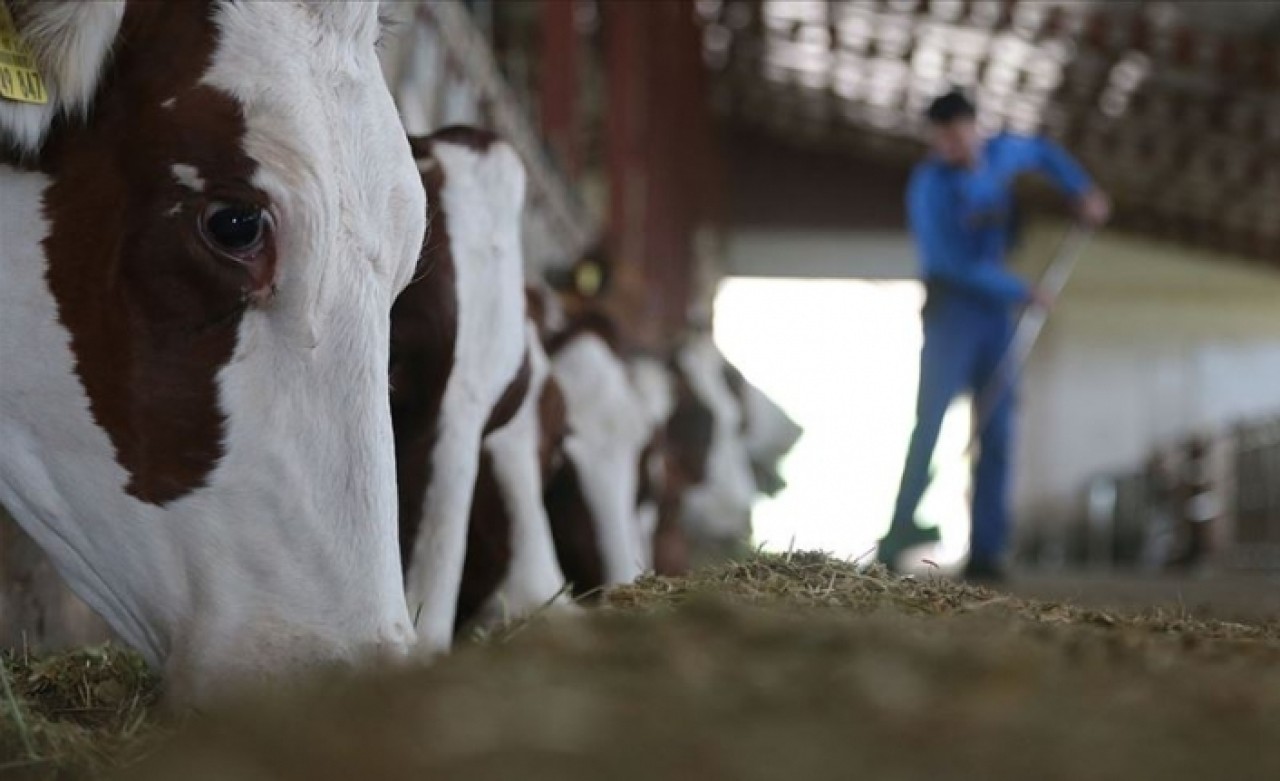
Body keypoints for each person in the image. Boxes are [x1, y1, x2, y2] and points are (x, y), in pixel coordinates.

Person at [877, 89, 1111, 582]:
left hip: (995, 318)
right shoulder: (928, 186)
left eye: (959, 136)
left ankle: (987, 550)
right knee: (931, 425)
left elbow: (1044, 153)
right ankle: (898, 534)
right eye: (942, 140)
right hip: (952, 312)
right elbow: (946, 262)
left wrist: (1080, 190)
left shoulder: (1003, 153)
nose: (953, 147)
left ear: (975, 127)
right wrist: (1020, 289)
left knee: (998, 428)